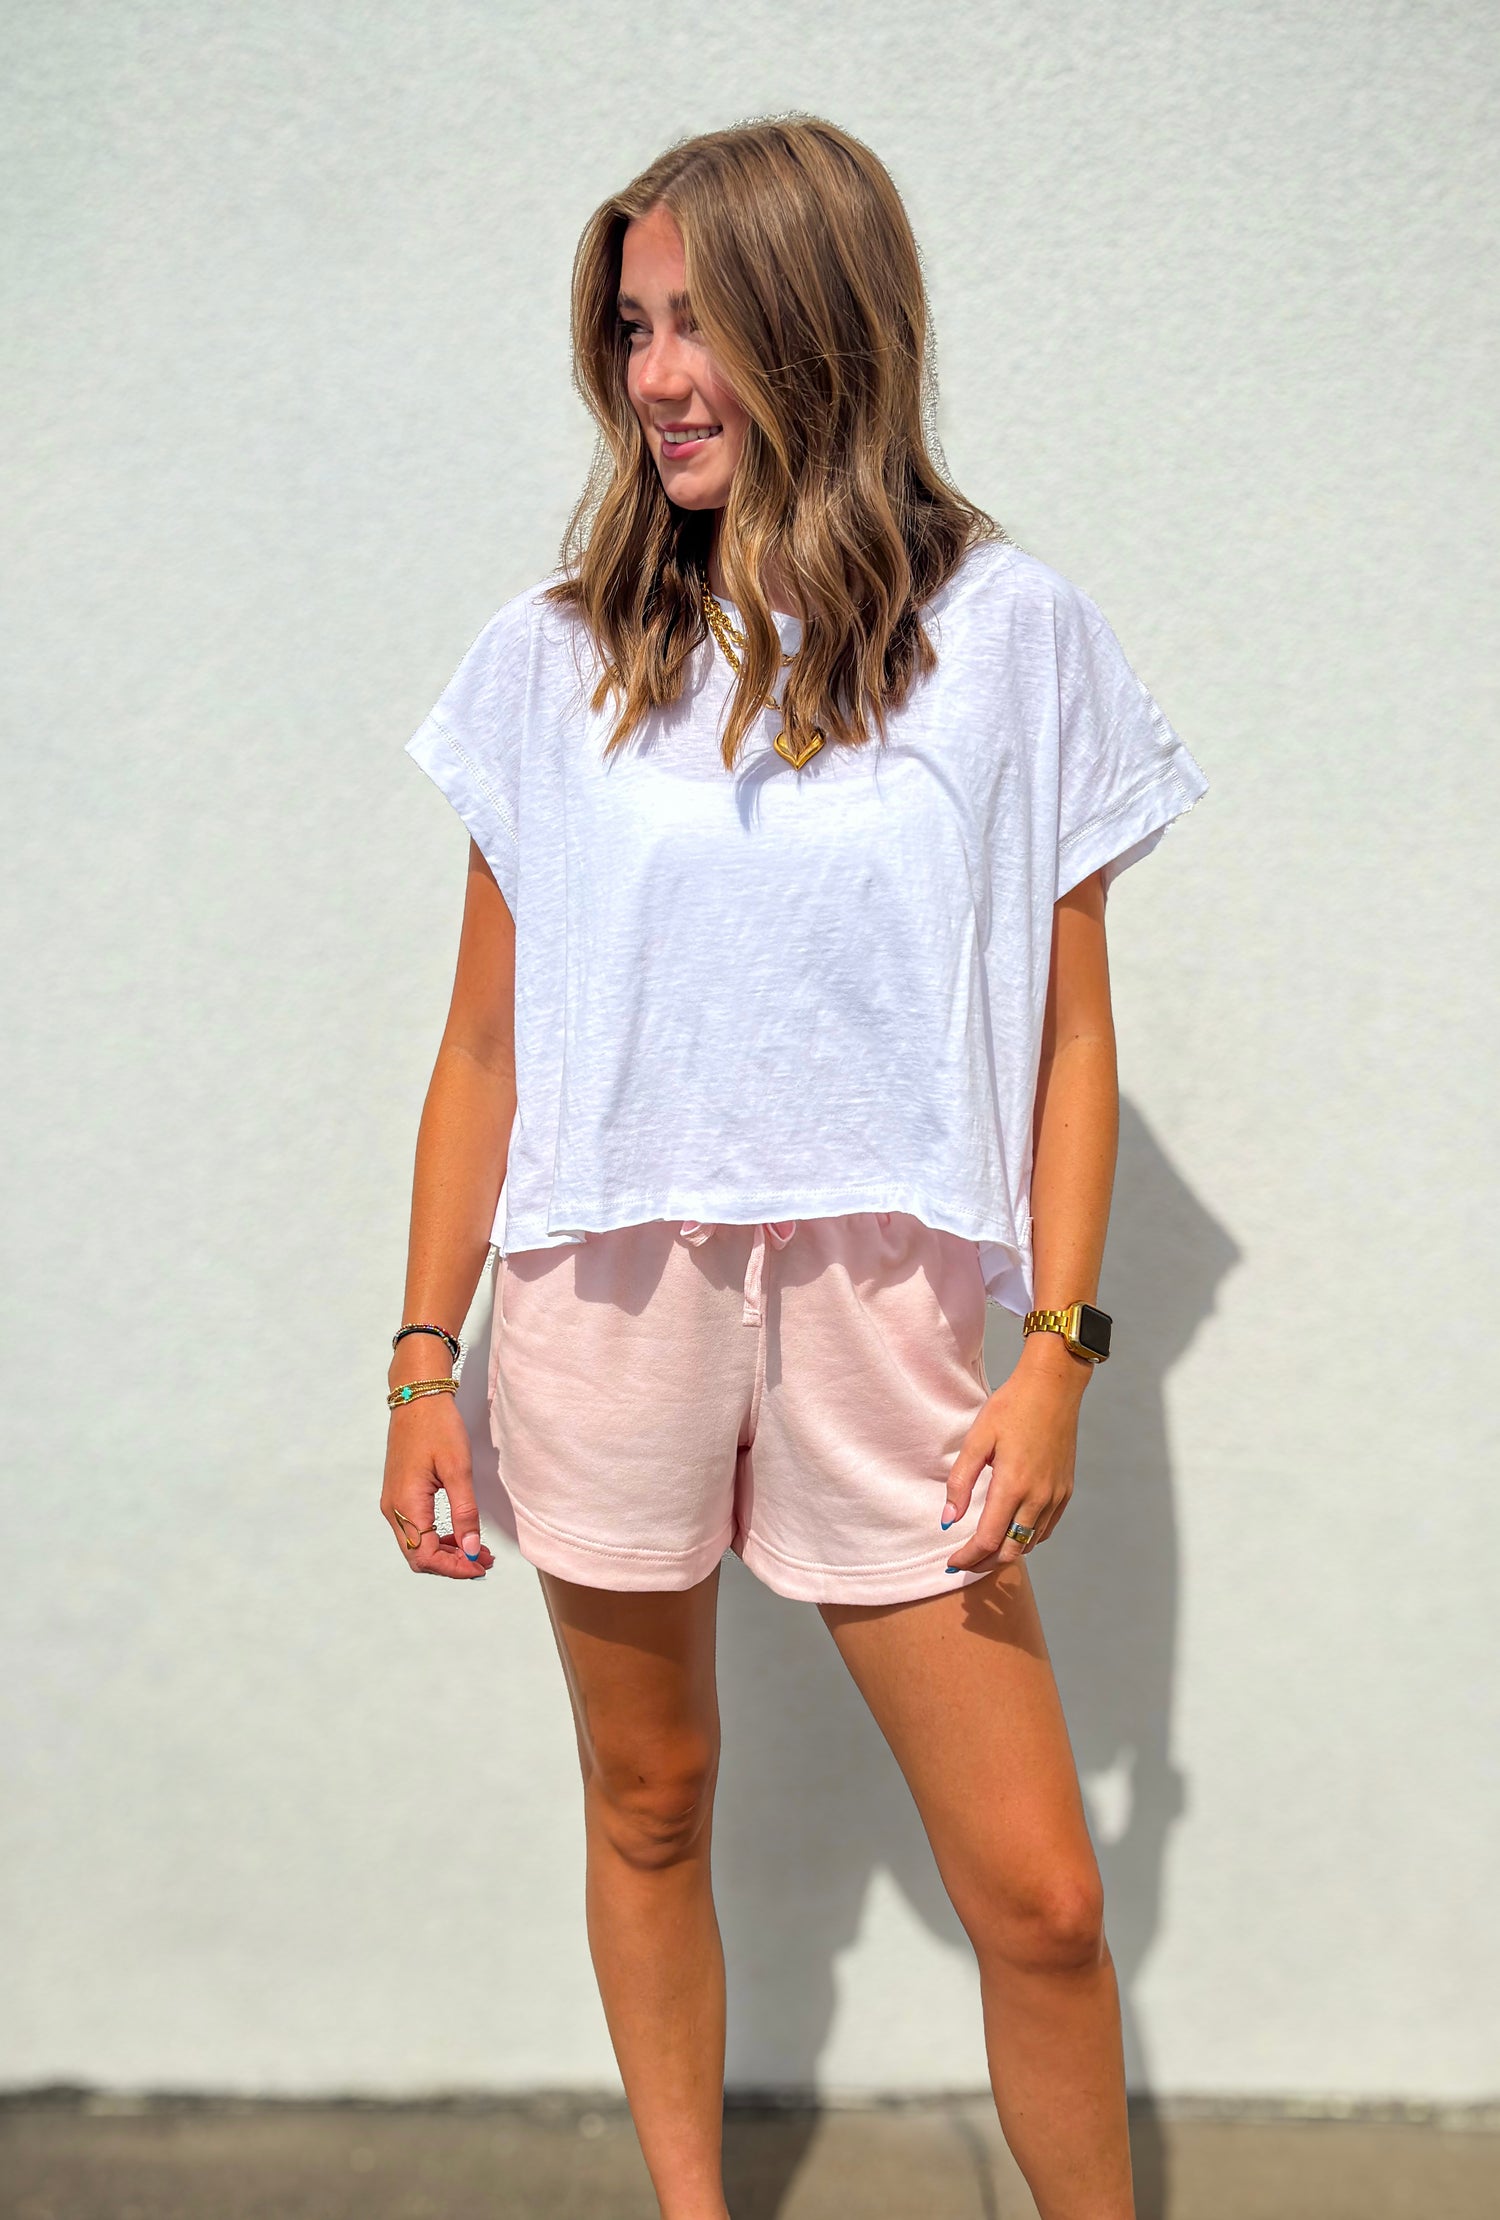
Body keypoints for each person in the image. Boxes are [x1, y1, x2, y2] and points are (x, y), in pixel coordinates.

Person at [382, 115, 1206, 2220]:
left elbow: (1074, 1033)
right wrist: (416, 1360)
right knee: (651, 1799)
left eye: (701, 324)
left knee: (1037, 1901)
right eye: (632, 325)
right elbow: (483, 1045)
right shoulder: (553, 653)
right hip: (607, 1292)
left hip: (898, 1310)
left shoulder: (1011, 637)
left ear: (823, 327)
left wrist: (1061, 1350)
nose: (654, 374)